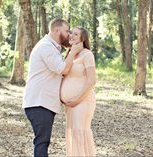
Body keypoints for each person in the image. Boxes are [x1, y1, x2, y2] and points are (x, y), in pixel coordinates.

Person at [22, 18, 83, 157]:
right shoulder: (46, 47)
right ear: (56, 31)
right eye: (67, 31)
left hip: (44, 103)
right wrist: (73, 52)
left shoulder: (53, 47)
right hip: (39, 103)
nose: (69, 35)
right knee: (42, 142)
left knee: (43, 142)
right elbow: (62, 69)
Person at [60, 27, 97, 156]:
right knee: (73, 134)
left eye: (76, 34)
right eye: (71, 33)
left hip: (83, 102)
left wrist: (77, 100)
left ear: (83, 39)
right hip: (70, 105)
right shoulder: (70, 54)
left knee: (79, 133)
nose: (71, 35)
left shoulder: (87, 54)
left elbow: (92, 80)